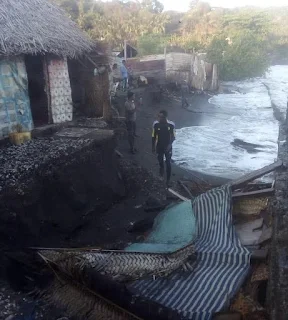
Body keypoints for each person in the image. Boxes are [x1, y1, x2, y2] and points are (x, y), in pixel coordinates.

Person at [152, 110, 176, 186]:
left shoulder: (171, 125)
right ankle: (161, 174)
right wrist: (153, 147)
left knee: (168, 163)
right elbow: (153, 136)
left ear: (165, 117)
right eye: (158, 116)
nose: (159, 118)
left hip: (168, 146)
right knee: (160, 161)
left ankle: (168, 180)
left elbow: (173, 136)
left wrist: (169, 145)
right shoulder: (156, 124)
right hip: (159, 146)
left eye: (161, 117)